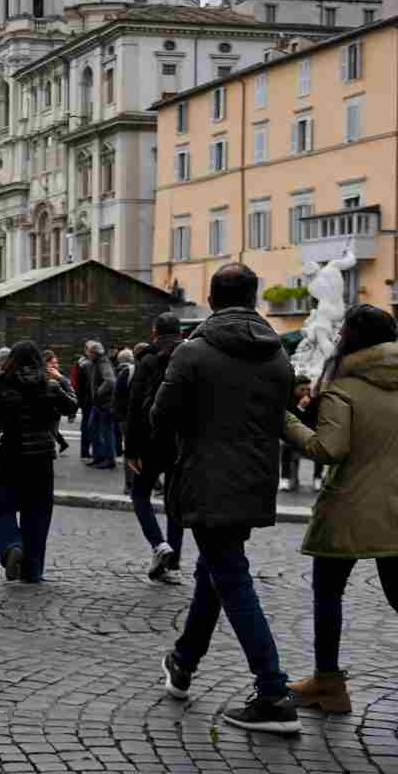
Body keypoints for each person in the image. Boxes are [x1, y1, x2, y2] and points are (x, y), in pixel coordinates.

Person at [154, 263, 299, 735]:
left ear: (212, 300)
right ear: (254, 299)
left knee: (231, 578)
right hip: (255, 481)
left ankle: (273, 692)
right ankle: (184, 660)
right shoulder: (278, 355)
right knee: (214, 570)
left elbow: (162, 415)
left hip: (207, 478)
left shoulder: (193, 353)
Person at [281, 304, 398, 714]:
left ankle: (329, 683)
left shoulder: (343, 387)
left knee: (328, 591)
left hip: (350, 505)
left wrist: (288, 421)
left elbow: (328, 449)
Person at [0, 340, 77, 583]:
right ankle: (32, 571)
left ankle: (11, 545)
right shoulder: (49, 386)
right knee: (38, 515)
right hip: (41, 460)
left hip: (11, 456)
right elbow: (72, 405)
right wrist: (61, 379)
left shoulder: (3, 386)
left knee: (3, 510)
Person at [126, 313, 187, 584]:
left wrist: (131, 449)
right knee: (175, 505)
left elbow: (134, 406)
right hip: (180, 442)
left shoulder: (147, 360)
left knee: (140, 495)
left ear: (155, 333)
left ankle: (158, 544)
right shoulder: (190, 356)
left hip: (151, 441)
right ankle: (172, 567)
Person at [279, 375, 323, 492]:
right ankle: (285, 478)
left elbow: (316, 420)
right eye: (302, 389)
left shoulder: (314, 401)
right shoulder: (289, 400)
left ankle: (317, 478)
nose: (305, 392)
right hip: (294, 438)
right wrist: (300, 408)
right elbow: (289, 421)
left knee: (321, 445)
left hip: (310, 436)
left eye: (308, 389)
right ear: (295, 389)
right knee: (286, 447)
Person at [86, 342, 117, 470]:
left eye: (89, 352)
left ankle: (109, 459)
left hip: (104, 404)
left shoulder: (102, 362)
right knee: (93, 428)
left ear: (94, 353)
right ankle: (99, 457)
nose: (88, 354)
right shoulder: (96, 363)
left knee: (106, 431)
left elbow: (110, 381)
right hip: (99, 404)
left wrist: (98, 392)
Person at [112, 348, 136, 493]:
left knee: (132, 450)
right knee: (135, 451)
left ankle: (130, 483)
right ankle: (130, 483)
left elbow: (117, 396)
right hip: (130, 418)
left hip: (126, 418)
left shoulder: (124, 372)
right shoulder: (129, 372)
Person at [43, 349, 73, 455]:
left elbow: (71, 400)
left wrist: (61, 379)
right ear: (46, 364)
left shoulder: (60, 376)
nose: (56, 365)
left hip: (55, 414)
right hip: (45, 414)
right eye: (53, 363)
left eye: (57, 363)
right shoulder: (40, 377)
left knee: (51, 438)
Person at [75, 344, 95, 458]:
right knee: (89, 425)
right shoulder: (87, 364)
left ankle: (85, 450)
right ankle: (86, 451)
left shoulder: (81, 362)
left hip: (85, 399)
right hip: (89, 399)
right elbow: (89, 384)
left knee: (86, 425)